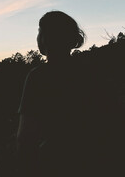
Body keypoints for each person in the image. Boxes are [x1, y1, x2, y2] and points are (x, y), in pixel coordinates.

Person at [16, 11, 120, 177]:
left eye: (39, 31)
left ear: (45, 38)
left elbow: (25, 138)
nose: (38, 36)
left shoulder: (39, 77)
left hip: (54, 165)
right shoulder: (92, 72)